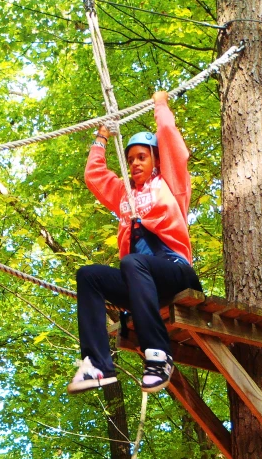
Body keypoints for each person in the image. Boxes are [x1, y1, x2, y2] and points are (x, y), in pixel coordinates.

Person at [68, 90, 203, 395]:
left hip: (175, 271)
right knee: (89, 275)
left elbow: (170, 142)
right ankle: (97, 365)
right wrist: (101, 136)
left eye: (141, 157)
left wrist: (160, 105)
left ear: (155, 159)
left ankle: (158, 355)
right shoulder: (126, 195)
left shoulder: (170, 184)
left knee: (132, 261)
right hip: (140, 281)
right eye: (130, 160)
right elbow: (95, 176)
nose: (135, 164)